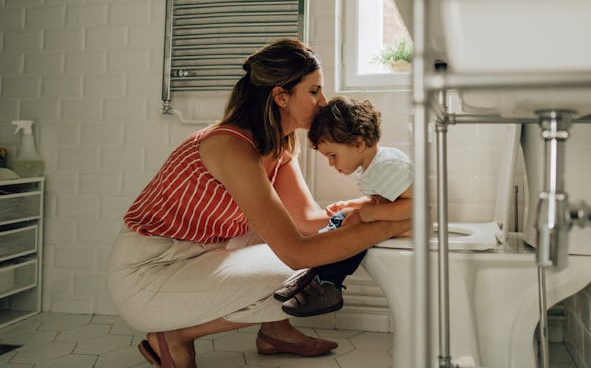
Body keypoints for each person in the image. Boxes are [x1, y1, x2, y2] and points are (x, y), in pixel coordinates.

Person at [107, 39, 410, 368]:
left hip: (201, 256)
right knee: (307, 266)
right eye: (314, 91)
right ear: (281, 96)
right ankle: (175, 335)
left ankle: (275, 331)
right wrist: (390, 225)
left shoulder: (279, 146)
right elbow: (298, 253)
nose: (323, 102)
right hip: (150, 272)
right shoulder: (231, 147)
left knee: (301, 242)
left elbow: (309, 222)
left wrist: (372, 208)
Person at [273, 96, 413, 317]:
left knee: (352, 223)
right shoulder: (373, 165)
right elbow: (385, 198)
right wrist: (354, 204)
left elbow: (416, 207)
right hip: (395, 219)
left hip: (411, 226)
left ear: (358, 143)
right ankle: (317, 273)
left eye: (332, 156)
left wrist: (372, 212)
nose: (331, 163)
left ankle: (329, 283)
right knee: (340, 218)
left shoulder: (388, 165)